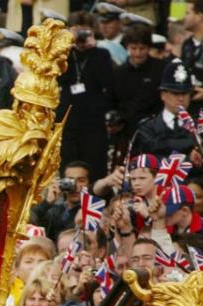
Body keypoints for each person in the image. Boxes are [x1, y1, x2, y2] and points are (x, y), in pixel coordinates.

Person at [58, 13, 115, 183]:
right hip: (69, 122)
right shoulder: (64, 54)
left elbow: (106, 81)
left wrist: (93, 46)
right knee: (68, 170)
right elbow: (58, 76)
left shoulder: (101, 54)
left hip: (93, 123)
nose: (81, 35)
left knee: (95, 169)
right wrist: (67, 43)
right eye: (77, 30)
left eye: (85, 30)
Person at [131, 60, 200, 158]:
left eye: (185, 93)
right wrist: (189, 149)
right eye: (175, 93)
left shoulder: (200, 125)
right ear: (163, 95)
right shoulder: (147, 127)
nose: (181, 99)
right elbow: (150, 153)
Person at [110, 25, 165, 138]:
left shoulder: (161, 69)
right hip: (127, 131)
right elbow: (113, 101)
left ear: (149, 48)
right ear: (127, 48)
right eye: (133, 48)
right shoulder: (118, 73)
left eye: (142, 48)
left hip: (155, 130)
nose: (138, 53)